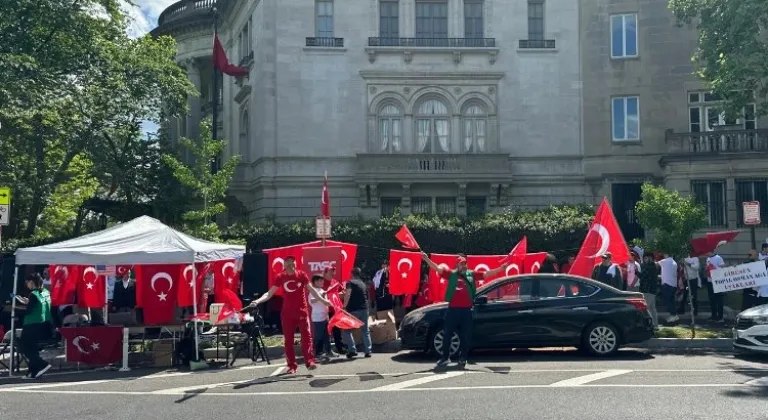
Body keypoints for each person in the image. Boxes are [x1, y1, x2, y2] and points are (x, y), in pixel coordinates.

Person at [246, 256, 332, 374]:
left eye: (292, 262)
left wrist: (324, 301)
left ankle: (310, 361)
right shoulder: (280, 277)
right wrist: (257, 301)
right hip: (287, 313)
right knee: (289, 341)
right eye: (287, 262)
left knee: (306, 337)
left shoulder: (302, 275)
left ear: (296, 264)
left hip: (302, 311)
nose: (290, 264)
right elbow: (269, 293)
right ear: (284, 265)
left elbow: (312, 290)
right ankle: (291, 365)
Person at [421, 253, 508, 368]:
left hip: (466, 310)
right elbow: (437, 268)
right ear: (457, 265)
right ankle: (445, 358)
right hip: (452, 310)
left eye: (465, 263)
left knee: (465, 335)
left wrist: (501, 269)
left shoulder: (471, 274)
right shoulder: (451, 274)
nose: (464, 265)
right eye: (461, 264)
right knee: (447, 334)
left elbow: (487, 274)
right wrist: (426, 259)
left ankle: (463, 358)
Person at [15, 273, 53, 379]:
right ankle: (33, 372)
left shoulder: (34, 294)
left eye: (27, 282)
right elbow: (39, 305)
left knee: (24, 347)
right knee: (32, 348)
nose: (27, 284)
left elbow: (29, 311)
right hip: (43, 323)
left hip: (31, 323)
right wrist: (28, 301)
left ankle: (42, 364)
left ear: (31, 282)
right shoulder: (46, 292)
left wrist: (15, 308)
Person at [342, 268, 372, 358]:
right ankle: (368, 351)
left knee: (347, 330)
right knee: (365, 331)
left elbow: (348, 294)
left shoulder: (350, 283)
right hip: (364, 309)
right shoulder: (363, 284)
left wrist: (344, 306)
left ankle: (352, 350)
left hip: (353, 310)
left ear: (352, 274)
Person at [308, 274, 333, 361]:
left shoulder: (322, 290)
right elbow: (311, 301)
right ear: (315, 282)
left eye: (322, 280)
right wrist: (320, 298)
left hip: (325, 316)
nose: (322, 282)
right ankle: (316, 353)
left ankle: (329, 351)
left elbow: (326, 302)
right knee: (318, 336)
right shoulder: (313, 291)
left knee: (327, 335)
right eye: (320, 280)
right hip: (317, 317)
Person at [638, 253, 660, 327]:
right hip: (652, 290)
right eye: (644, 258)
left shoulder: (649, 267)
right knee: (652, 308)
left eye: (646, 258)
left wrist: (635, 271)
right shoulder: (654, 266)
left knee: (647, 309)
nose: (645, 260)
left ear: (650, 258)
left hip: (647, 290)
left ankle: (651, 325)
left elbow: (642, 276)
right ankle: (655, 324)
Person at [705, 250, 725, 322]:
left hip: (717, 281)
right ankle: (713, 315)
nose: (706, 252)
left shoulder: (718, 258)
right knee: (712, 299)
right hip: (710, 281)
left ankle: (720, 317)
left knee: (719, 299)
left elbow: (723, 267)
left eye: (707, 251)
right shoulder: (708, 259)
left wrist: (714, 268)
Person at [658, 254, 679, 323]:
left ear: (666, 254)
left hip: (667, 284)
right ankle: (673, 315)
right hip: (673, 284)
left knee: (667, 301)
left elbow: (655, 264)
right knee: (671, 300)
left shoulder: (665, 261)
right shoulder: (674, 262)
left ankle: (674, 315)